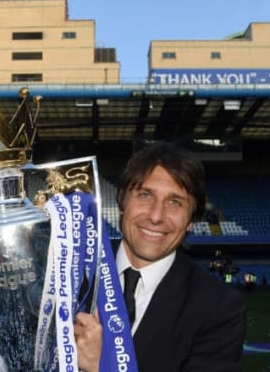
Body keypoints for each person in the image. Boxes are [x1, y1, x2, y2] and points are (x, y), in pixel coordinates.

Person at [74, 142, 246, 372]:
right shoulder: (71, 267)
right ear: (122, 201)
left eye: (175, 202)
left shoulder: (219, 308)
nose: (156, 216)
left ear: (191, 221)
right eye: (145, 195)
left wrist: (104, 366)